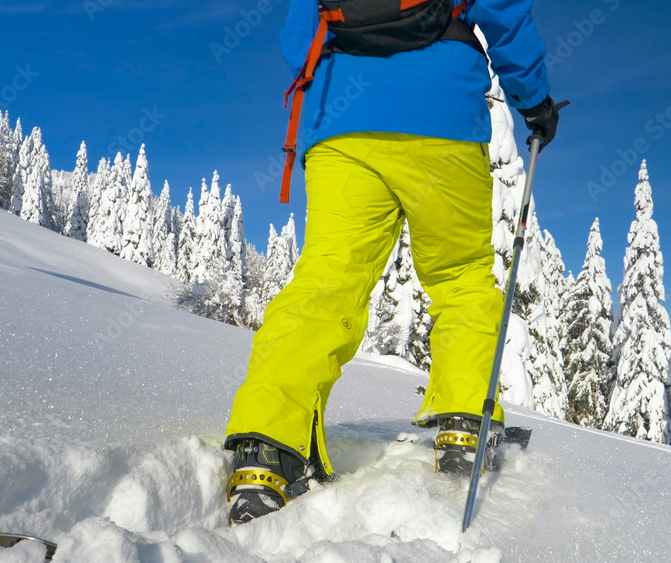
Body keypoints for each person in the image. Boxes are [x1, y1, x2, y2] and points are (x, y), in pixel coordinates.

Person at [224, 0, 560, 524]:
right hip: (441, 114)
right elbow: (504, 12)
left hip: (341, 119)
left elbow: (298, 36)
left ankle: (267, 449)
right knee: (461, 278)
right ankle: (466, 425)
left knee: (326, 279)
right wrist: (534, 99)